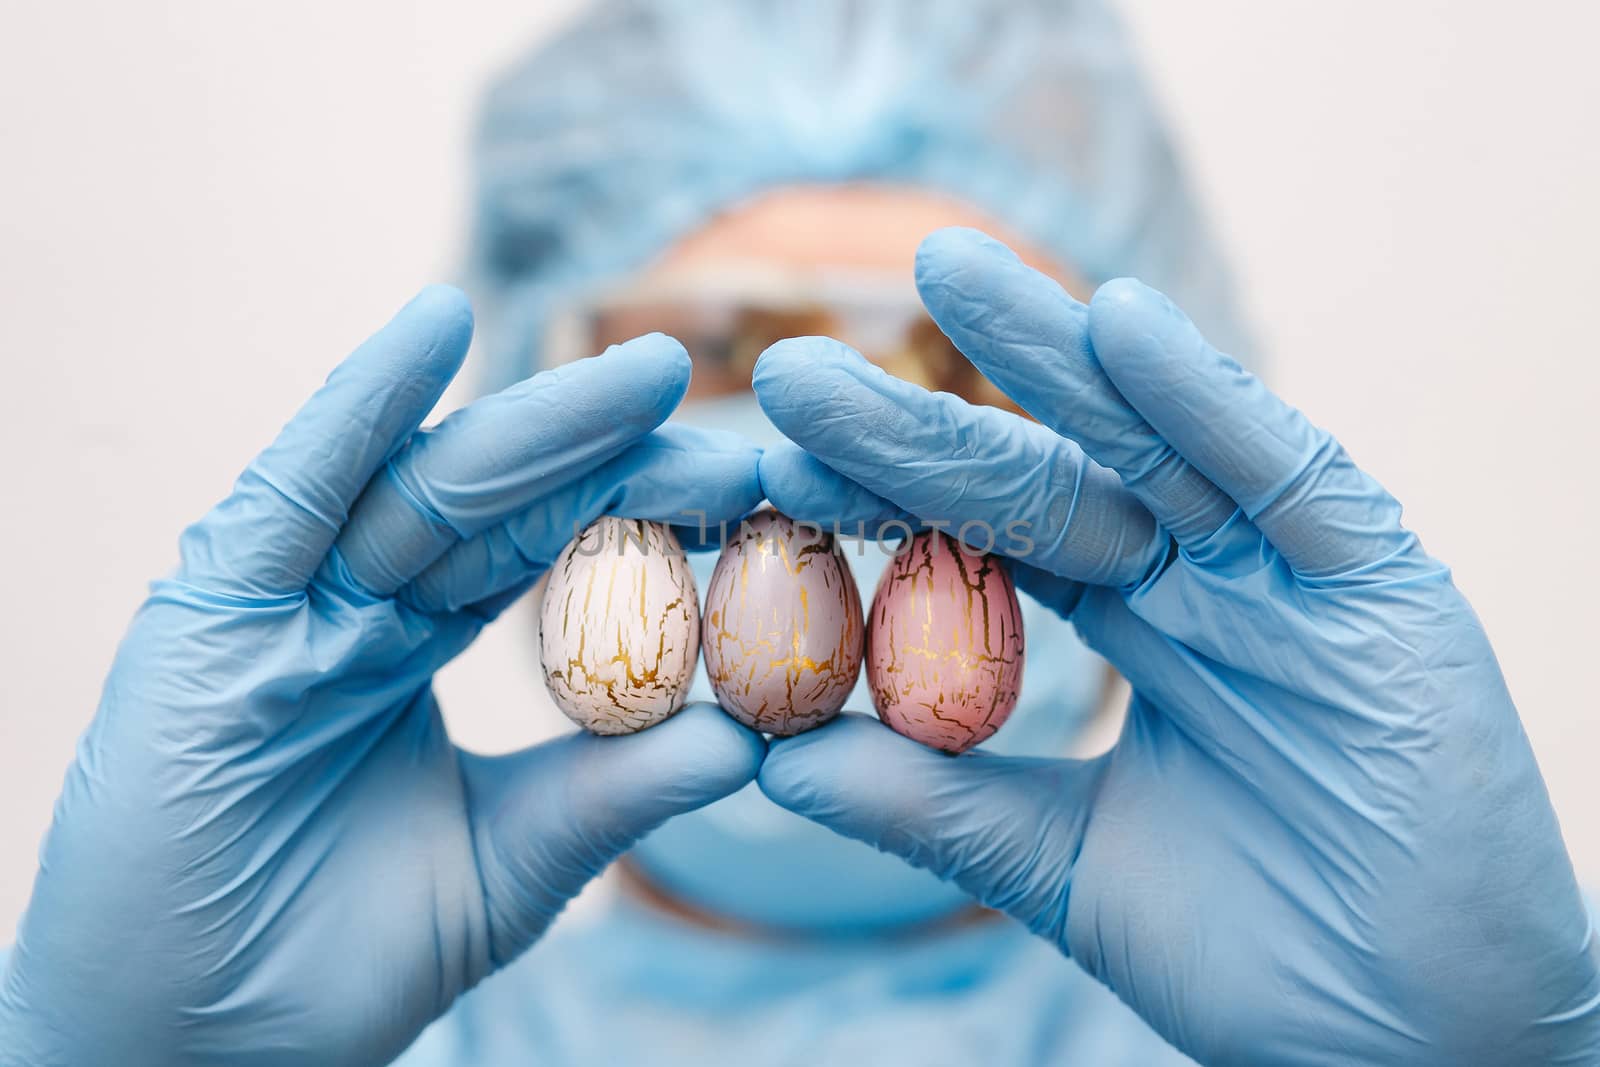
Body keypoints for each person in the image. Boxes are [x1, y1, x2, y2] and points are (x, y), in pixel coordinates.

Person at [2, 2, 1597, 1064]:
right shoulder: (331, 1020)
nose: (836, 470)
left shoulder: (1328, 1009)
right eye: (726, 356)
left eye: (964, 379)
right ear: (534, 404)